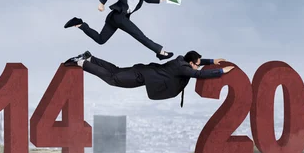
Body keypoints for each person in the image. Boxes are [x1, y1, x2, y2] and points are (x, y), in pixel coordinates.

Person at [64, 0, 173, 60]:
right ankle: (160, 52)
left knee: (101, 40)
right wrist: (102, 3)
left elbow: (148, 0)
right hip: (119, 17)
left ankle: (79, 23)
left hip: (115, 17)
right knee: (140, 36)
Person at [63, 50, 235, 107]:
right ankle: (83, 63)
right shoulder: (185, 68)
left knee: (115, 70)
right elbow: (199, 73)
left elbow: (196, 65)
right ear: (191, 63)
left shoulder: (181, 61)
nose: (198, 66)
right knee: (113, 79)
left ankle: (91, 58)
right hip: (141, 76)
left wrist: (212, 61)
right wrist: (221, 71)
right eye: (197, 64)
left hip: (144, 71)